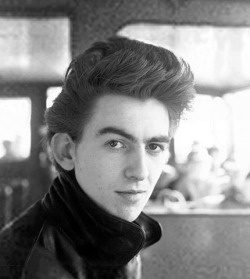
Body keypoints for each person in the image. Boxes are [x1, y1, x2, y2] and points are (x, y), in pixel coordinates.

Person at [0, 36, 195, 279]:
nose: (140, 172)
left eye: (154, 146)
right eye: (115, 143)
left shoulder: (119, 230)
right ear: (66, 151)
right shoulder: (32, 262)